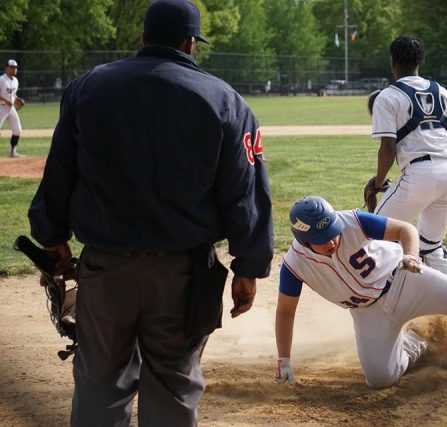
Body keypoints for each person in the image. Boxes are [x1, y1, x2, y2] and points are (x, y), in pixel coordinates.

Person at [27, 0, 273, 425]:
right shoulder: (225, 100)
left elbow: (59, 174)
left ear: (143, 38)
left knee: (100, 384)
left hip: (106, 269)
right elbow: (245, 194)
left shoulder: (89, 87)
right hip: (183, 276)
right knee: (173, 387)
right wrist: (248, 268)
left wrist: (52, 239)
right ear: (191, 43)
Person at [274, 196, 447, 389]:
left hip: (402, 279)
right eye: (322, 238)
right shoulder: (294, 266)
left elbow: (405, 230)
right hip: (367, 312)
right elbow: (285, 313)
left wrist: (411, 256)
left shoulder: (351, 221)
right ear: (303, 240)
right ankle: (419, 340)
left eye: (333, 233)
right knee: (381, 379)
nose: (332, 241)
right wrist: (284, 359)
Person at [368, 35, 447, 277]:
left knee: (374, 232)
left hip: (419, 176)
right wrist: (441, 167)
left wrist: (378, 182)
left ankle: (384, 298)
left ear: (393, 62)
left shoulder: (388, 96)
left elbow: (388, 149)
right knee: (431, 246)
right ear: (419, 61)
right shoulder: (442, 92)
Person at [0, 59, 24, 157]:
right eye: (12, 67)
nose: (14, 69)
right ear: (6, 68)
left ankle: (13, 152)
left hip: (10, 108)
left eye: (15, 68)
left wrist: (18, 99)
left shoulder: (16, 81)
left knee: (17, 130)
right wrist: (6, 101)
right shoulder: (1, 79)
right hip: (1, 107)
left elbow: (13, 94)